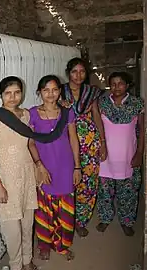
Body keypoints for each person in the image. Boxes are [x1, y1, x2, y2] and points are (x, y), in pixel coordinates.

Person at [0, 76, 40, 270]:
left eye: (17, 92)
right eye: (8, 93)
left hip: (26, 175)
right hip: (5, 179)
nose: (13, 97)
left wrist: (38, 165)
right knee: (11, 228)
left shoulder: (25, 115)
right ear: (1, 95)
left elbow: (31, 142)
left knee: (27, 223)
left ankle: (27, 261)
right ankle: (15, 267)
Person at [28, 75, 82, 261]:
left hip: (65, 166)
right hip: (44, 166)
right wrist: (39, 166)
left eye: (54, 89)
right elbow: (31, 143)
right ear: (39, 92)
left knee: (65, 208)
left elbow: (74, 140)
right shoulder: (32, 114)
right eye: (46, 90)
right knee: (44, 208)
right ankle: (44, 245)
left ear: (60, 91)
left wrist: (77, 167)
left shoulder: (67, 112)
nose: (50, 94)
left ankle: (63, 245)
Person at [60, 57, 107, 237]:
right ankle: (67, 220)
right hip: (67, 142)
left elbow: (96, 116)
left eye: (82, 71)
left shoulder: (91, 92)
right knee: (69, 181)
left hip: (89, 143)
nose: (78, 75)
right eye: (74, 71)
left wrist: (102, 142)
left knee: (88, 184)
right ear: (68, 73)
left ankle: (81, 221)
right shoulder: (60, 91)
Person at [96, 72, 144, 236]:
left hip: (127, 156)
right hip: (106, 157)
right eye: (113, 84)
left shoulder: (137, 104)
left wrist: (139, 153)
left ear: (128, 85)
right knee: (104, 191)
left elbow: (143, 131)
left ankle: (127, 221)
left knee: (129, 192)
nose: (117, 87)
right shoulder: (102, 103)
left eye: (120, 83)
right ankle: (105, 218)